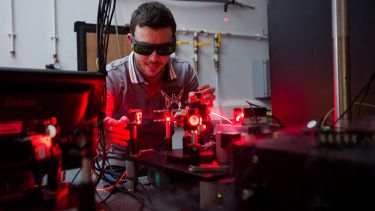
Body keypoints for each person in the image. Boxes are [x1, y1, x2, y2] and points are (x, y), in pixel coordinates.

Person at [103, 1, 215, 182]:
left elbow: (204, 134)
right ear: (131, 41)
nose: (154, 58)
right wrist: (103, 131)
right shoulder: (114, 77)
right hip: (120, 164)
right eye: (145, 49)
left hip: (164, 161)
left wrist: (200, 115)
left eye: (164, 49)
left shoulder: (184, 73)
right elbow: (98, 126)